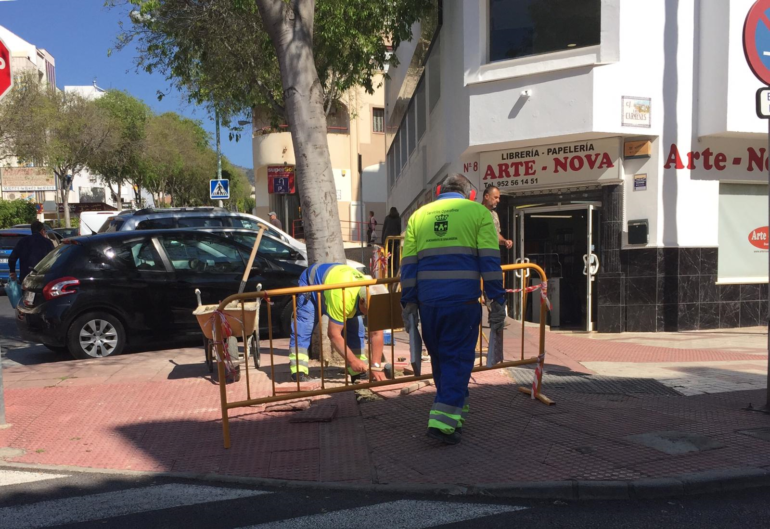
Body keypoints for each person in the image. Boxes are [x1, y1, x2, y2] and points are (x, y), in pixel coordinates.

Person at [401, 174, 505, 445]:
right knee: (457, 359)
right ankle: (442, 425)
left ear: (438, 191)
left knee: (441, 358)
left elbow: (409, 266)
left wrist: (409, 302)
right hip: (462, 301)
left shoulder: (418, 216)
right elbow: (490, 262)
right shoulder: (478, 213)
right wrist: (497, 300)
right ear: (470, 194)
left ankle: (456, 412)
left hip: (428, 304)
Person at [289, 263, 389, 383]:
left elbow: (377, 333)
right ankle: (298, 371)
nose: (371, 316)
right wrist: (352, 361)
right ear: (361, 302)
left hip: (337, 287)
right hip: (312, 285)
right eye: (369, 311)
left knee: (357, 331)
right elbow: (334, 334)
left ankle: (357, 373)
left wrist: (376, 366)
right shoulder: (342, 297)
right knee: (304, 327)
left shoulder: (374, 294)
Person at [482, 185, 513, 249]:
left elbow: (496, 234)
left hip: (492, 251)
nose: (498, 200)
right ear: (486, 196)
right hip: (479, 251)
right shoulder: (476, 212)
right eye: (495, 197)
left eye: (498, 198)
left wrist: (505, 241)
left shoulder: (494, 214)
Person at [380, 207, 402, 275]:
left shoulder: (387, 218)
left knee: (388, 251)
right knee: (394, 252)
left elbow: (384, 228)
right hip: (395, 238)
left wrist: (382, 239)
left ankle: (388, 264)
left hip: (387, 237)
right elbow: (399, 229)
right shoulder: (398, 218)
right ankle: (393, 265)